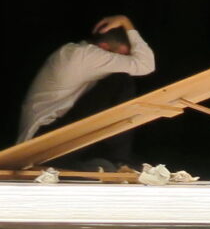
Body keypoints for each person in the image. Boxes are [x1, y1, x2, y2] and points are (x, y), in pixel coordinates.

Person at [17, 14, 158, 168]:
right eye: (122, 55)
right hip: (42, 141)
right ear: (104, 47)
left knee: (117, 79)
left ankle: (106, 161)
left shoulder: (78, 54)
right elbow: (146, 65)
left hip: (52, 137)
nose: (123, 60)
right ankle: (118, 160)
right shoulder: (86, 55)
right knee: (120, 79)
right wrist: (126, 21)